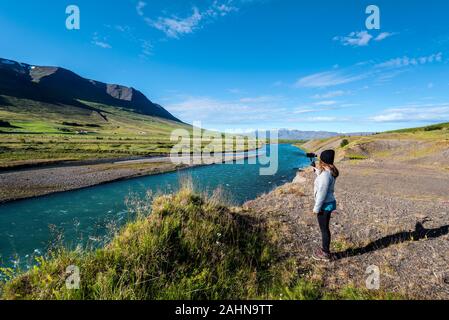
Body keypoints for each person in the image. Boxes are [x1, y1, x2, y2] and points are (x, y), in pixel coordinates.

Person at [312, 150, 339, 262]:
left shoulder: (325, 176)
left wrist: (316, 209)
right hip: (329, 203)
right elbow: (324, 179)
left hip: (324, 205)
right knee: (325, 228)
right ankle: (325, 250)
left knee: (324, 229)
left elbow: (322, 193)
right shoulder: (330, 172)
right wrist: (317, 172)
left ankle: (325, 253)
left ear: (323, 161)